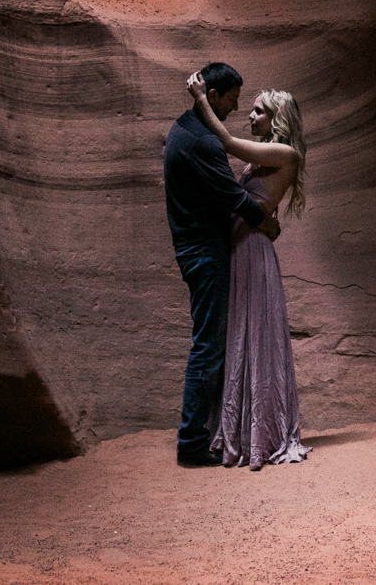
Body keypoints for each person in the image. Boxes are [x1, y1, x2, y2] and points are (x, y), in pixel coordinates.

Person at [187, 71, 311, 470]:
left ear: (276, 118)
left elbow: (227, 143)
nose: (249, 115)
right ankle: (241, 432)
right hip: (241, 248)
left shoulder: (285, 154)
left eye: (258, 110)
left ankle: (261, 435)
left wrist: (201, 98)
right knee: (239, 336)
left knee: (253, 336)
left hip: (253, 253)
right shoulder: (268, 155)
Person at [164, 62, 279, 467]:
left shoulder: (184, 128)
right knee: (210, 345)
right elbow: (234, 196)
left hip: (194, 247)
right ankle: (192, 443)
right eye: (231, 99)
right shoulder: (203, 143)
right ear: (212, 97)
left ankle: (207, 431)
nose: (236, 107)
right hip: (204, 252)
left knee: (210, 342)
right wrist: (265, 222)